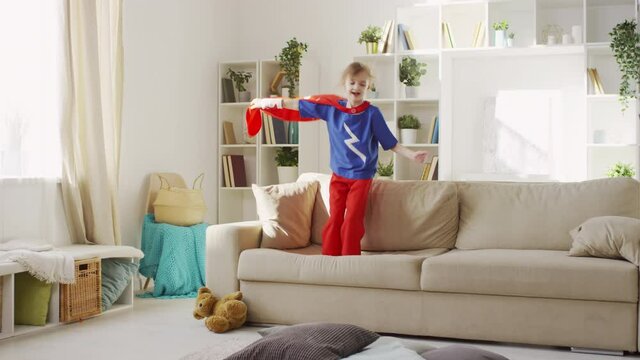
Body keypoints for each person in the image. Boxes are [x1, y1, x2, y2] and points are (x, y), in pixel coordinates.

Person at [248, 62, 428, 256]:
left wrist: (412, 154)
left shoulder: (372, 114)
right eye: (352, 82)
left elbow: (390, 142)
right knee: (334, 219)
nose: (356, 88)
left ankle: (349, 260)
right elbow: (298, 104)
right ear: (345, 84)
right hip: (339, 175)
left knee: (352, 219)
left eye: (362, 84)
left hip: (361, 177)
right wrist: (266, 103)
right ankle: (329, 259)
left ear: (368, 87)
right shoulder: (332, 109)